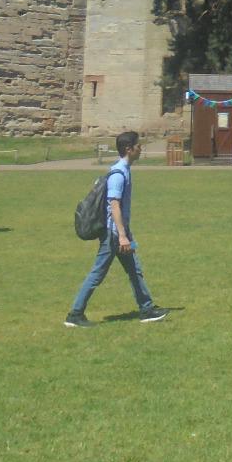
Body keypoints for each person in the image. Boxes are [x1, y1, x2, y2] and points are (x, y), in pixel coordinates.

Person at [65, 132, 168, 326]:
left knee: (135, 269)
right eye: (138, 145)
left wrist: (127, 234)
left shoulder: (124, 170)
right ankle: (75, 314)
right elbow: (114, 207)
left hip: (122, 234)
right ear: (129, 149)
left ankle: (146, 309)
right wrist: (122, 236)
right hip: (113, 236)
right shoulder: (118, 175)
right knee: (97, 273)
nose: (141, 148)